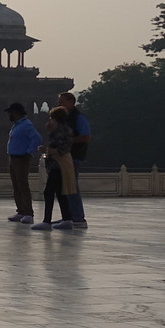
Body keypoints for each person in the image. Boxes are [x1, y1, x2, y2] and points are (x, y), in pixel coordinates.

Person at [32, 106, 77, 231]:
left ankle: (47, 221)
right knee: (60, 193)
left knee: (48, 192)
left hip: (59, 165)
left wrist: (45, 150)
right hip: (60, 164)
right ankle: (67, 219)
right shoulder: (61, 130)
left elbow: (61, 150)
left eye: (51, 118)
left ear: (55, 119)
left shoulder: (62, 131)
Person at [5, 102, 42, 224]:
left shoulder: (26, 125)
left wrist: (29, 152)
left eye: (10, 112)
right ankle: (21, 211)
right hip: (14, 158)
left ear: (16, 112)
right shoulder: (16, 125)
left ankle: (28, 213)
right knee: (16, 186)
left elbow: (37, 138)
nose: (9, 115)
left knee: (23, 186)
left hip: (21, 158)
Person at [58, 91, 91, 228]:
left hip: (74, 156)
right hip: (65, 157)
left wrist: (68, 141)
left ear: (71, 102)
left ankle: (78, 218)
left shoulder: (79, 118)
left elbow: (86, 137)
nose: (59, 104)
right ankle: (68, 217)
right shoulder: (65, 118)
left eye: (62, 101)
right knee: (65, 188)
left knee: (72, 188)